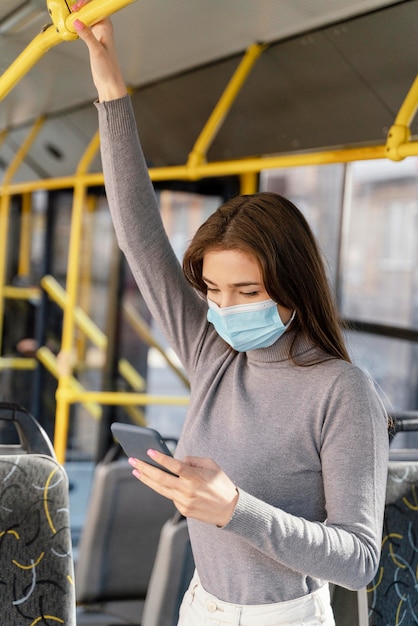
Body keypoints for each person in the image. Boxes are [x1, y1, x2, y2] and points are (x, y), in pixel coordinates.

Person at [72, 5, 389, 625]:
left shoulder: (343, 392)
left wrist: (235, 508)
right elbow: (139, 235)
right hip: (202, 607)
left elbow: (360, 559)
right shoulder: (214, 353)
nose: (222, 308)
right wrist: (107, 74)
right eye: (213, 290)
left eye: (246, 291)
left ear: (293, 287)